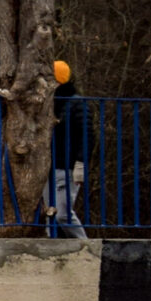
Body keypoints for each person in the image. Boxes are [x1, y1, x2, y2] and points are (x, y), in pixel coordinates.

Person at [46, 58, 88, 238]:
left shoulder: (74, 103)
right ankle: (56, 253)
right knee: (50, 214)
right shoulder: (49, 102)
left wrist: (81, 162)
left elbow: (87, 135)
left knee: (63, 214)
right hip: (50, 166)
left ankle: (85, 246)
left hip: (67, 165)